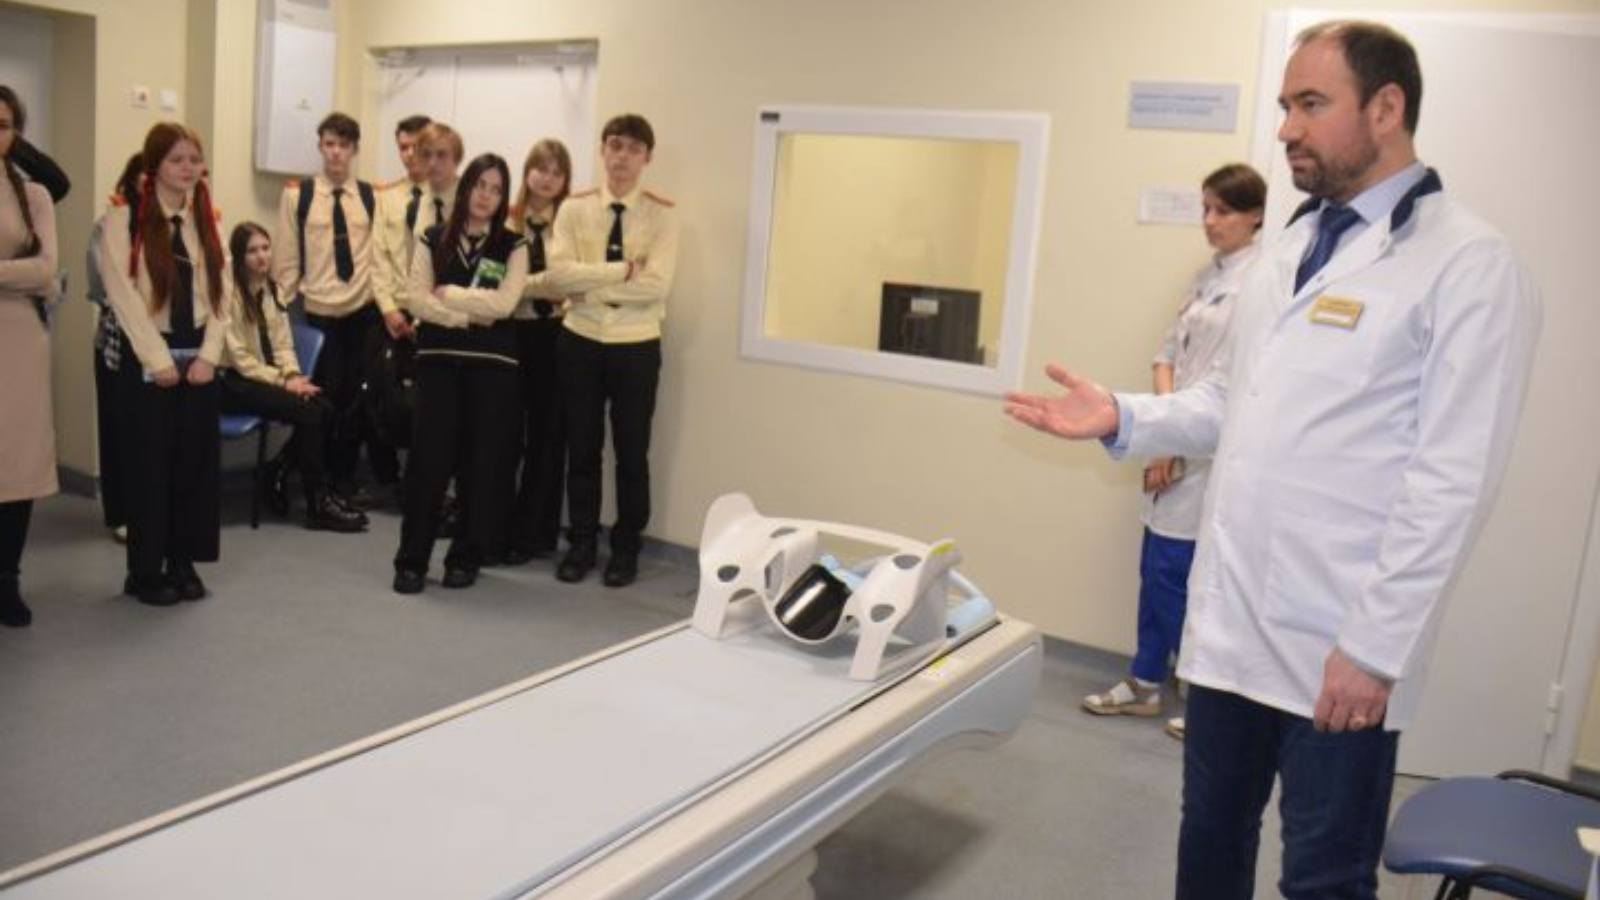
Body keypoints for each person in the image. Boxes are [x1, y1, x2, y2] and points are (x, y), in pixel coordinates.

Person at [1004, 20, 1541, 898]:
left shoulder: (1469, 265)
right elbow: (1233, 400)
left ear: (1387, 108)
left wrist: (1374, 648)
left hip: (1339, 647)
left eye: (1311, 104)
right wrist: (1127, 415)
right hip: (1231, 628)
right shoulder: (1288, 247)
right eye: (1286, 105)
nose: (1286, 128)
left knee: (1323, 876)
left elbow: (1454, 480)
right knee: (1209, 841)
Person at [1080, 163, 1266, 743]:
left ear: (1256, 215)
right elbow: (1165, 357)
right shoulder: (1205, 278)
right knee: (1153, 569)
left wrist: (1172, 439)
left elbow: (1228, 388)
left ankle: (1201, 695)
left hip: (1206, 456)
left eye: (1224, 211)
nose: (1210, 221)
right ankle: (1144, 681)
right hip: (1170, 440)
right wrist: (1162, 431)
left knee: (1180, 575)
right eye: (1205, 209)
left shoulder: (1260, 286)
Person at [102, 122, 232, 607]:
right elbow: (123, 296)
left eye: (194, 160)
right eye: (176, 160)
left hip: (197, 354)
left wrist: (209, 355)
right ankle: (145, 570)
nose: (187, 168)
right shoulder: (124, 218)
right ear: (154, 165)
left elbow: (223, 292)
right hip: (148, 355)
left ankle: (183, 561)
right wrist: (157, 359)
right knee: (149, 467)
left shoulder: (207, 217)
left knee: (192, 467)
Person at [546, 114, 679, 587]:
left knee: (632, 453)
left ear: (647, 157)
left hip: (635, 345)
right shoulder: (574, 209)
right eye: (616, 145)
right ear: (603, 150)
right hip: (579, 340)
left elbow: (657, 286)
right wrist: (622, 273)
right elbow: (559, 276)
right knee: (582, 449)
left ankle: (626, 548)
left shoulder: (663, 215)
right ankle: (582, 542)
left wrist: (588, 286)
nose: (623, 157)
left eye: (633, 149)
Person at [392, 153, 528, 594]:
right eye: (480, 185)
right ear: (466, 187)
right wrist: (466, 318)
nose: (486, 196)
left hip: (493, 370)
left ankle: (464, 558)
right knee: (427, 465)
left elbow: (505, 304)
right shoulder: (432, 238)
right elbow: (415, 298)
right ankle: (411, 562)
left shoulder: (514, 245)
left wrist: (448, 294)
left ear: (503, 198)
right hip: (438, 364)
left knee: (480, 465)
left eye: (496, 189)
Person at [273, 112, 398, 508]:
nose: (336, 153)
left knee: (356, 400)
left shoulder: (372, 197)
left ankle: (343, 477)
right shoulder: (299, 196)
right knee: (323, 400)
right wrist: (276, 315)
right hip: (319, 312)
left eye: (344, 145)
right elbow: (286, 260)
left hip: (362, 310)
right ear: (320, 147)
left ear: (354, 149)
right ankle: (302, 471)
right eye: (329, 144)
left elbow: (381, 257)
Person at [219, 222, 367, 533]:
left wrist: (294, 375)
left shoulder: (272, 290)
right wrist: (284, 383)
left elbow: (283, 344)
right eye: (252, 251)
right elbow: (240, 359)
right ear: (239, 256)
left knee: (325, 407)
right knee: (309, 412)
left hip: (267, 378)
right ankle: (317, 503)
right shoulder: (228, 295)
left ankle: (276, 470)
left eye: (265, 248)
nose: (262, 256)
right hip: (232, 382)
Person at [491, 138, 573, 566]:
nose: (547, 179)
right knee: (505, 435)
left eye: (557, 172)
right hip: (511, 332)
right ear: (526, 172)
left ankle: (535, 532)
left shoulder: (570, 222)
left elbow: (570, 282)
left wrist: (525, 285)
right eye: (541, 169)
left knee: (549, 435)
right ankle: (497, 527)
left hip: (556, 335)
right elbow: (494, 281)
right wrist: (540, 287)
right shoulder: (505, 221)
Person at [0, 86, 60, 627]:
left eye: (2, 125)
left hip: (18, 341)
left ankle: (6, 580)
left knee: (16, 467)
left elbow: (45, 272)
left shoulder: (34, 194)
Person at [86, 153, 145, 546]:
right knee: (118, 429)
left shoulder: (178, 225)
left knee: (149, 434)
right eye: (145, 176)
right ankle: (121, 513)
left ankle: (150, 510)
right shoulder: (109, 224)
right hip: (117, 343)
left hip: (163, 346)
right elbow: (100, 285)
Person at [370, 114, 431, 343]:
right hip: (396, 311)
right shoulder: (386, 198)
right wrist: (388, 310)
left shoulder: (451, 198)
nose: (411, 153)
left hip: (436, 311)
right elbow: (379, 259)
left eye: (418, 146)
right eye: (404, 147)